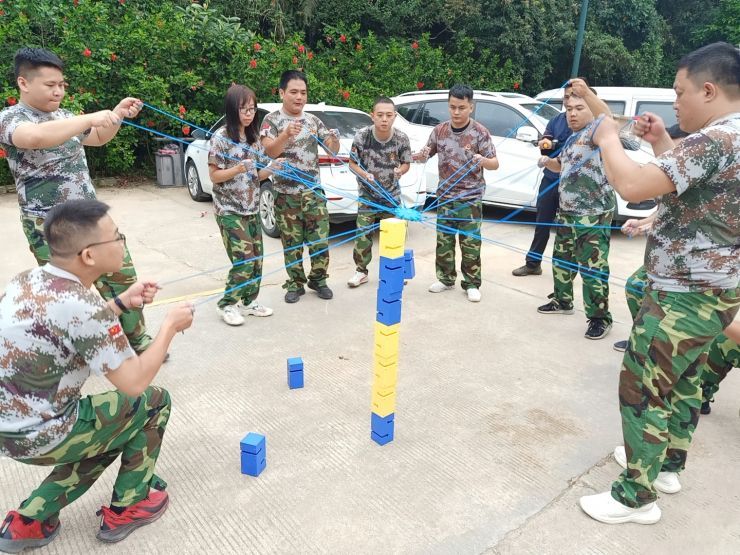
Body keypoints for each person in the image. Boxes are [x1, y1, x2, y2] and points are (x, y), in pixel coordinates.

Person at [579, 42, 740, 525]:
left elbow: (631, 185)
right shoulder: (729, 138)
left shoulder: (715, 139)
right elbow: (694, 188)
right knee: (685, 381)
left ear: (708, 90)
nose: (675, 103)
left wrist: (608, 137)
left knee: (642, 386)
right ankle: (666, 466)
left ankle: (636, 496)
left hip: (684, 294)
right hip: (717, 290)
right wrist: (660, 142)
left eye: (679, 92)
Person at [0, 200, 194, 551]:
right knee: (151, 403)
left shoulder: (27, 280)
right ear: (89, 255)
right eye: (117, 237)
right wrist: (170, 327)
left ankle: (31, 519)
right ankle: (129, 506)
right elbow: (134, 382)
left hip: (8, 431)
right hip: (45, 434)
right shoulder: (84, 308)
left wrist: (120, 304)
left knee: (115, 423)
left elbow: (71, 325)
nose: (122, 243)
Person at [0, 47, 153, 354]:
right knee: (66, 292)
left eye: (61, 85)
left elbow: (99, 137)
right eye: (50, 85)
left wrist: (117, 115)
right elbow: (35, 138)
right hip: (49, 224)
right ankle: (72, 351)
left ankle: (135, 340)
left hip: (91, 218)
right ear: (23, 83)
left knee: (121, 276)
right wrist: (91, 117)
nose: (58, 91)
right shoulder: (11, 118)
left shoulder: (66, 116)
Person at [536, 86, 616, 340]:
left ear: (591, 109)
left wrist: (586, 92)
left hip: (592, 214)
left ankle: (599, 318)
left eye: (579, 108)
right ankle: (562, 300)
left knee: (592, 269)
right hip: (567, 212)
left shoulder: (597, 134)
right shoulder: (572, 138)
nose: (572, 113)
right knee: (561, 260)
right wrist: (547, 162)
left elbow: (607, 119)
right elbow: (561, 166)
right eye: (569, 109)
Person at [412, 84, 499, 302]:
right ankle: (445, 279)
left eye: (461, 107)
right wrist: (417, 155)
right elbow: (425, 155)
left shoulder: (480, 132)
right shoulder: (439, 131)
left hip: (470, 199)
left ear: (471, 107)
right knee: (444, 242)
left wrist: (483, 160)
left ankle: (471, 283)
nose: (456, 112)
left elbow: (494, 163)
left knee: (470, 244)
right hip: (445, 197)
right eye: (452, 107)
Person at [260, 70, 340, 303]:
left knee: (320, 241)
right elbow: (270, 151)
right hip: (286, 195)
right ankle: (295, 284)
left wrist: (333, 139)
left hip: (313, 193)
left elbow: (332, 150)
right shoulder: (272, 121)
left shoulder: (313, 121)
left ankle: (319, 280)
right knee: (292, 244)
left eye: (303, 93)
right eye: (293, 92)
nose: (299, 97)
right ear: (282, 93)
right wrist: (285, 134)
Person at [208, 84, 282, 325]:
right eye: (244, 109)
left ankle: (248, 302)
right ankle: (226, 304)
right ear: (233, 110)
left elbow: (255, 176)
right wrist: (238, 168)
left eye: (252, 109)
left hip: (251, 208)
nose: (249, 114)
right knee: (244, 260)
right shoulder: (221, 138)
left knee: (257, 259)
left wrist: (271, 168)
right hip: (229, 210)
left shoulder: (253, 138)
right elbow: (214, 176)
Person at [347, 96, 412, 288]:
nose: (384, 119)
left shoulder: (401, 138)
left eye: (389, 115)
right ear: (372, 116)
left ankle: (395, 272)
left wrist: (400, 170)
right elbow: (352, 164)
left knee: (394, 236)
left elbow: (406, 163)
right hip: (367, 195)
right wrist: (364, 174)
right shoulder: (362, 136)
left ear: (395, 116)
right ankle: (361, 271)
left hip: (391, 196)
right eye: (380, 115)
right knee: (363, 235)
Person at [512, 92, 573, 276]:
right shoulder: (556, 120)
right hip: (550, 179)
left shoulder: (590, 126)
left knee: (567, 229)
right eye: (566, 96)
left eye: (574, 96)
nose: (568, 100)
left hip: (573, 184)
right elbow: (546, 144)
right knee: (542, 223)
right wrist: (545, 143)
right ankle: (533, 264)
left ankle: (565, 271)